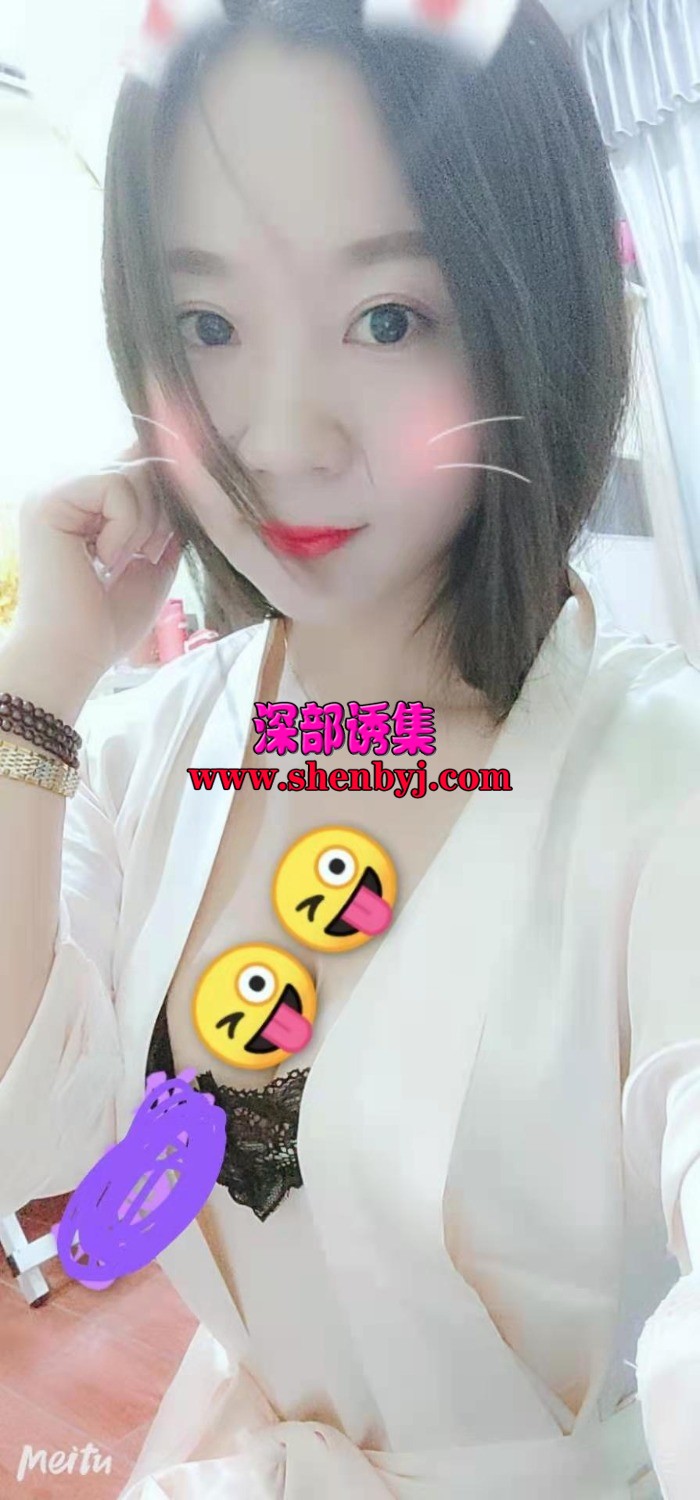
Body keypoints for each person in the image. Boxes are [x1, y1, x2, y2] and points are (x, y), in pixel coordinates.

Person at [1, 0, 699, 1493]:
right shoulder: (151, 746)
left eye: (388, 317)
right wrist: (39, 679)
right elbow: (29, 1140)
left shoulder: (660, 781)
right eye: (208, 326)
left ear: (532, 312)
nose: (281, 440)